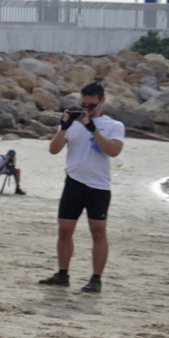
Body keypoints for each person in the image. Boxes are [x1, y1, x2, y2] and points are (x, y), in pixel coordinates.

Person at [39, 82, 124, 294]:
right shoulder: (72, 122)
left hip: (99, 187)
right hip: (74, 182)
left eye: (91, 106)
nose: (86, 110)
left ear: (102, 102)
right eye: (83, 105)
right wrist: (64, 128)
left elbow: (113, 151)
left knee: (98, 232)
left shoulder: (113, 125)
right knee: (65, 230)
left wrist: (92, 128)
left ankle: (96, 278)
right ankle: (62, 274)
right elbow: (53, 150)